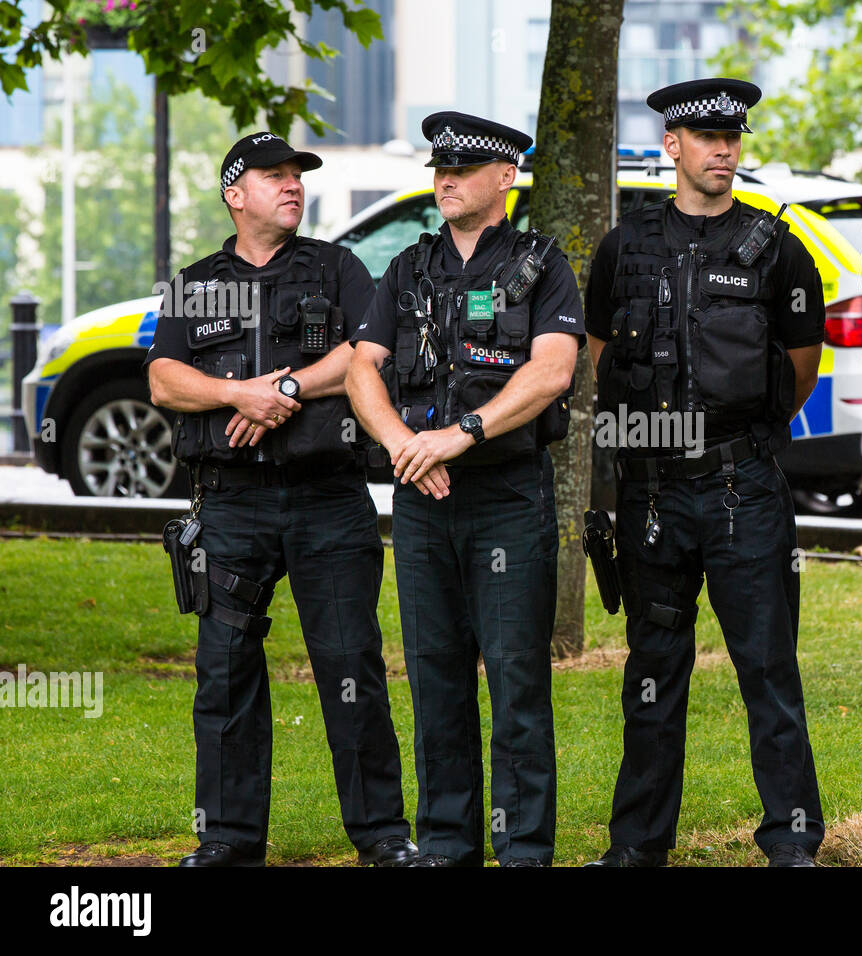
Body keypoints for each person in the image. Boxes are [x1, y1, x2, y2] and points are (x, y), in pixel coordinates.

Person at [145, 132, 418, 868]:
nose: (292, 185)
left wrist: (286, 389)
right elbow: (164, 380)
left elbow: (367, 353)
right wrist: (238, 393)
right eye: (274, 177)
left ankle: (383, 835)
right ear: (235, 194)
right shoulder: (195, 284)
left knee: (350, 665)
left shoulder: (337, 268)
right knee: (225, 669)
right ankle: (228, 839)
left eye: (297, 176)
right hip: (231, 503)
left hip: (328, 498)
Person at [583, 78, 826, 868]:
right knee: (652, 673)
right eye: (708, 137)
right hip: (651, 492)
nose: (725, 149)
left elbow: (798, 371)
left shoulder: (776, 247)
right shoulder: (624, 247)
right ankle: (636, 846)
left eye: (735, 137)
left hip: (740, 489)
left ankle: (792, 842)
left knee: (768, 670)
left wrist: (732, 444)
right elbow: (597, 361)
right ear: (674, 147)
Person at [345, 112, 583, 867]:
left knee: (515, 679)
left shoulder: (543, 264)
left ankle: (523, 851)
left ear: (505, 177)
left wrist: (461, 434)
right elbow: (361, 368)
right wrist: (405, 446)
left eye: (462, 168)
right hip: (423, 500)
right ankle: (446, 845)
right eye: (438, 167)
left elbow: (551, 371)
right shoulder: (408, 267)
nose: (444, 179)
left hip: (507, 496)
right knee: (434, 675)